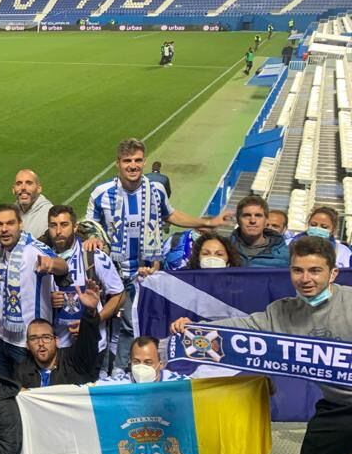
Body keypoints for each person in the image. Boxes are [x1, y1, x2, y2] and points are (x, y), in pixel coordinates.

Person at [171, 236, 352, 454]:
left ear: (332, 273)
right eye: (298, 270)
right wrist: (193, 330)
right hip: (335, 408)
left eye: (315, 271)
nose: (305, 279)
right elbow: (243, 329)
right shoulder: (282, 311)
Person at [86, 138, 230, 369]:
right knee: (116, 329)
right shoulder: (101, 193)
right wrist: (93, 237)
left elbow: (171, 215)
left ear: (144, 161)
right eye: (127, 161)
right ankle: (115, 372)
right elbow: (91, 228)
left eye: (137, 160)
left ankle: (138, 370)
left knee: (139, 326)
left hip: (149, 274)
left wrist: (207, 221)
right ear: (118, 163)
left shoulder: (156, 190)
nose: (133, 166)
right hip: (114, 278)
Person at [0, 204, 66, 378]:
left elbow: (63, 265)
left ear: (20, 224)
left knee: (25, 396)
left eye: (10, 223)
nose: (4, 229)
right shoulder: (2, 248)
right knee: (4, 394)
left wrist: (52, 264)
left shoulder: (33, 249)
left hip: (27, 343)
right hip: (1, 335)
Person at [45, 205, 124, 356]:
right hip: (58, 348)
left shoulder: (93, 256)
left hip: (92, 346)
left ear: (75, 227)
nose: (58, 231)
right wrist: (48, 300)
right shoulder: (43, 258)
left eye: (64, 224)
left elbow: (119, 296)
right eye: (53, 226)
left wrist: (92, 322)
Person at [13, 283, 101, 389]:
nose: (40, 343)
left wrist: (90, 312)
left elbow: (88, 343)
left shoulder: (73, 360)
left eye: (46, 337)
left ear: (56, 341)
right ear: (27, 345)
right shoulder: (22, 371)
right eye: (34, 339)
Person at [229, 195, 289, 268]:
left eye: (258, 215)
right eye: (247, 215)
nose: (252, 221)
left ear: (266, 220)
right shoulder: (223, 248)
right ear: (238, 220)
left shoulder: (286, 255)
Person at [98, 336, 186, 384]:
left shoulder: (178, 384)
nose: (141, 366)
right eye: (136, 361)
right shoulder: (119, 385)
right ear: (130, 362)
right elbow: (87, 392)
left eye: (148, 362)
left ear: (161, 363)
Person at [12, 169, 53, 238]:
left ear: (39, 188)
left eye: (29, 183)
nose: (23, 188)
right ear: (13, 190)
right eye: (19, 184)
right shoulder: (11, 210)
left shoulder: (49, 215)